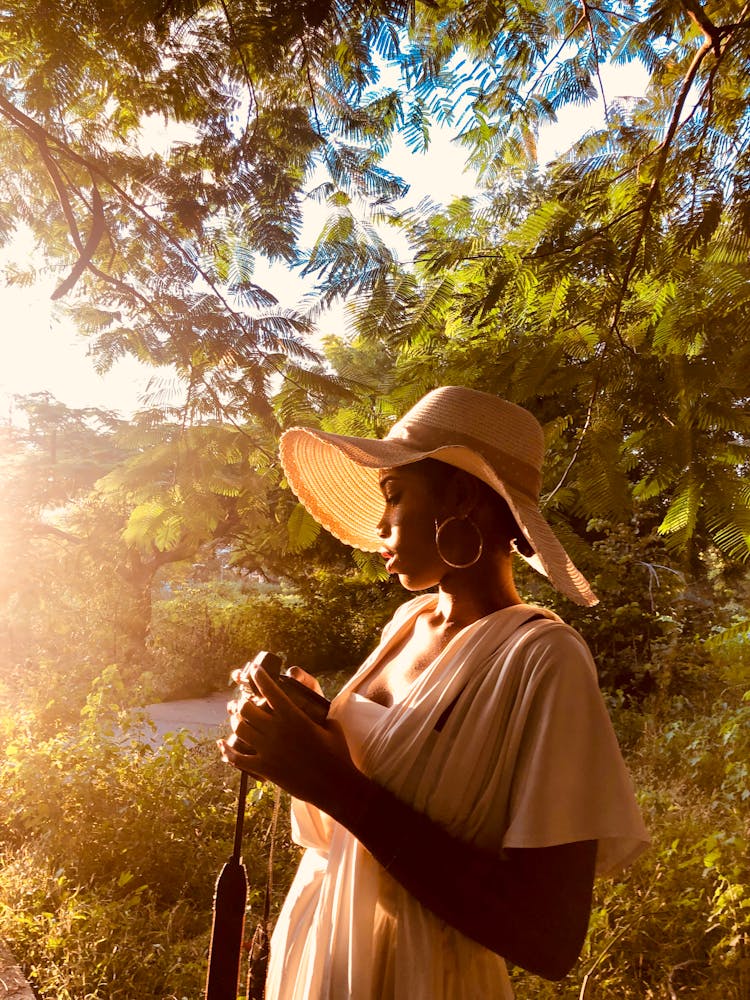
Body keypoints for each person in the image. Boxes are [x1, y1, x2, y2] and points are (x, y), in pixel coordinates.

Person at [218, 386, 649, 1000]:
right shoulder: (407, 623)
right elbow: (353, 808)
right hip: (320, 952)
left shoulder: (543, 659)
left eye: (393, 494)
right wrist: (295, 728)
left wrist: (324, 778)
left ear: (461, 498)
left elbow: (548, 937)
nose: (379, 523)